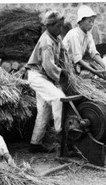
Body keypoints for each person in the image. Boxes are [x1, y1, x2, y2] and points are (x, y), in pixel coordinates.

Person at [26, 10, 68, 153]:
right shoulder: (46, 42)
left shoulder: (56, 37)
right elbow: (49, 67)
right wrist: (62, 74)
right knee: (59, 98)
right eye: (58, 26)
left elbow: (63, 52)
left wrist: (68, 65)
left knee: (44, 111)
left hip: (44, 77)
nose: (60, 29)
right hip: (37, 76)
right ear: (49, 26)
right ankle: (60, 134)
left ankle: (34, 144)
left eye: (61, 26)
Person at [62, 5, 106, 78]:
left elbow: (93, 52)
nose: (92, 24)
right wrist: (94, 71)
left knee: (93, 72)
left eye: (93, 21)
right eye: (89, 21)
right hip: (65, 65)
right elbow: (77, 59)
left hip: (74, 64)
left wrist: (104, 66)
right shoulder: (74, 34)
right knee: (89, 74)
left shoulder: (88, 34)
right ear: (81, 21)